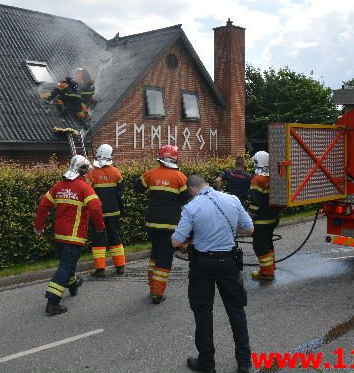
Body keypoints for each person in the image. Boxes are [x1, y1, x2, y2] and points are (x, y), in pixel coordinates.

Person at [172, 174, 254, 373]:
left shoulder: (191, 207)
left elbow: (176, 241)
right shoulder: (232, 199)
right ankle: (244, 362)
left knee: (203, 313)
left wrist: (188, 242)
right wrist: (230, 233)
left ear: (192, 189)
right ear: (207, 184)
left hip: (203, 264)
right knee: (236, 311)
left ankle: (207, 364)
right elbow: (249, 229)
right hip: (228, 262)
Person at [35, 155, 104, 316]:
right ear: (84, 171)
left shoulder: (59, 186)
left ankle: (73, 285)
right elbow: (95, 208)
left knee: (68, 264)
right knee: (65, 267)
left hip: (59, 236)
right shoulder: (85, 188)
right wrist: (100, 227)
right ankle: (52, 302)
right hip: (75, 237)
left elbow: (43, 204)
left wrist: (39, 225)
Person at [134, 145, 191, 304]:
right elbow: (187, 199)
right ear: (175, 158)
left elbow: (136, 187)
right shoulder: (180, 177)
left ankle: (153, 285)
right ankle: (157, 294)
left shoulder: (150, 174)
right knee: (165, 259)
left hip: (151, 223)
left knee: (155, 254)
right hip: (170, 225)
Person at [87, 144, 126, 277]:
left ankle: (100, 269)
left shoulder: (92, 173)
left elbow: (87, 192)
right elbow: (121, 193)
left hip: (97, 213)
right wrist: (121, 208)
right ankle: (120, 266)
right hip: (114, 212)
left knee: (98, 240)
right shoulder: (116, 172)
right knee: (115, 237)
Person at [248, 151, 278, 280]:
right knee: (268, 242)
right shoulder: (273, 177)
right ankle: (271, 266)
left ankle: (266, 272)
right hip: (272, 218)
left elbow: (255, 201)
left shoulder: (257, 179)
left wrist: (249, 215)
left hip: (261, 220)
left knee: (260, 245)